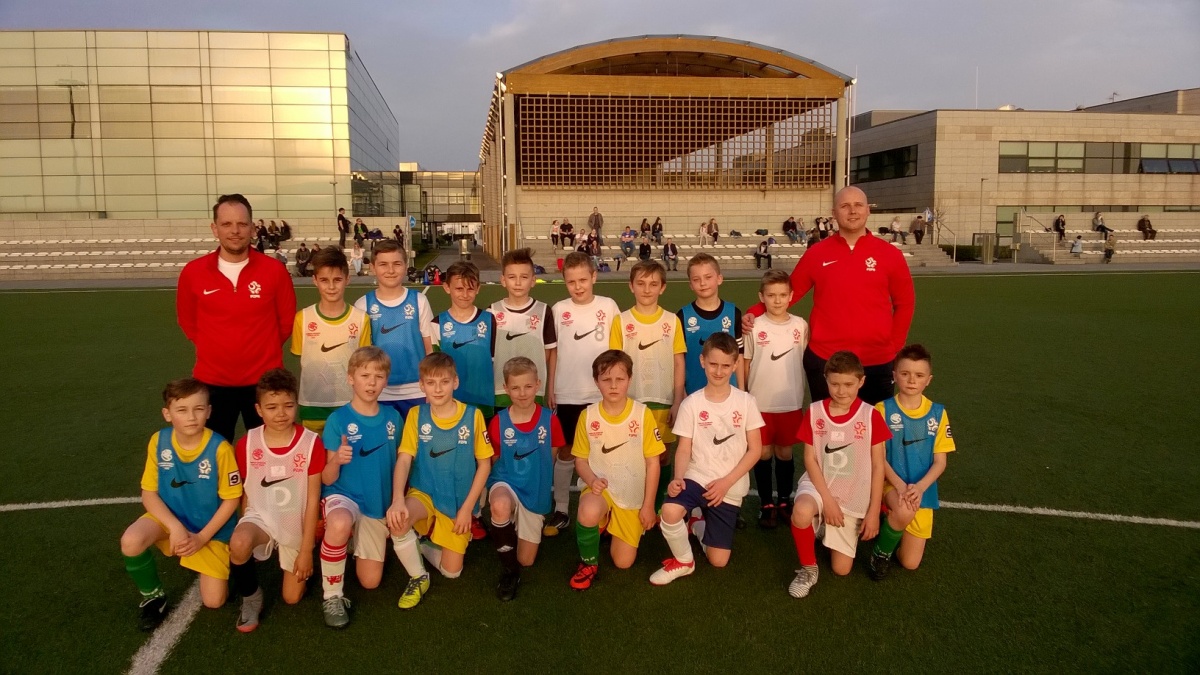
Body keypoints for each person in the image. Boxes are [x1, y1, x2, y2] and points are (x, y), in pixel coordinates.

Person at [743, 186, 915, 406]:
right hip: (825, 359)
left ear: (868, 210)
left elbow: (905, 303)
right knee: (825, 427)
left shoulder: (890, 254)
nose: (852, 211)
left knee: (873, 426)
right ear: (834, 213)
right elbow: (791, 292)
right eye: (845, 206)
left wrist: (894, 347)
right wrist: (754, 312)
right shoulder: (817, 253)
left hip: (876, 361)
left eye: (858, 205)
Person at [119, 378, 242, 631]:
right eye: (182, 410)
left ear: (209, 411)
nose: (191, 417)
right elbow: (149, 493)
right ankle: (153, 597)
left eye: (199, 409)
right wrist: (174, 527)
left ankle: (223, 560)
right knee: (131, 540)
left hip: (209, 529)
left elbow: (232, 499)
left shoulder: (220, 448)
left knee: (214, 602)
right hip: (171, 518)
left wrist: (202, 537)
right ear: (167, 414)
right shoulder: (159, 441)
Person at [177, 194, 296, 444]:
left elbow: (286, 322)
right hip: (212, 382)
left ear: (252, 228)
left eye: (242, 224)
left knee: (271, 453)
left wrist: (260, 351)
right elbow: (188, 322)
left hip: (265, 383)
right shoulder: (193, 272)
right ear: (215, 228)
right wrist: (216, 349)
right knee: (213, 454)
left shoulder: (274, 271)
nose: (235, 231)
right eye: (227, 224)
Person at [651, 332, 765, 585]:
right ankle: (684, 561)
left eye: (725, 365)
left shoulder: (746, 402)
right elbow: (684, 449)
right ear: (702, 361)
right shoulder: (691, 403)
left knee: (718, 560)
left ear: (735, 365)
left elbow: (755, 450)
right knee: (669, 510)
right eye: (713, 364)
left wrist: (726, 483)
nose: (719, 371)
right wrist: (678, 478)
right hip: (697, 476)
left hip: (729, 485)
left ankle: (696, 523)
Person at [387, 353, 493, 604]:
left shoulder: (473, 415)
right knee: (398, 521)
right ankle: (418, 576)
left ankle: (424, 544)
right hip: (424, 492)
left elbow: (484, 465)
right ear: (421, 385)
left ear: (455, 382)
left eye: (444, 382)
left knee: (451, 572)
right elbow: (404, 459)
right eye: (431, 383)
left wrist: (468, 510)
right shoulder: (416, 414)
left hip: (457, 501)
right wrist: (398, 499)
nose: (438, 389)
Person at [787, 351, 890, 598]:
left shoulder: (871, 416)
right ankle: (808, 569)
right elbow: (810, 459)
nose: (841, 391)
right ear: (826, 380)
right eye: (835, 384)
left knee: (841, 569)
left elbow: (879, 466)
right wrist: (828, 501)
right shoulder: (814, 412)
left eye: (848, 384)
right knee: (801, 510)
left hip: (853, 495)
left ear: (861, 382)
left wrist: (873, 512)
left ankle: (822, 525)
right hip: (819, 486)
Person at [228, 368, 324, 632]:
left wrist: (306, 551)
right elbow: (246, 491)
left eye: (288, 406)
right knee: (239, 542)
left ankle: (301, 559)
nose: (281, 413)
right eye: (271, 407)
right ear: (258, 410)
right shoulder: (247, 444)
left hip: (295, 521)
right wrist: (246, 532)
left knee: (291, 598)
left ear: (296, 405)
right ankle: (251, 597)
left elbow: (313, 499)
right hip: (261, 517)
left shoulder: (311, 443)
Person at [316, 346, 402, 628]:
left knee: (370, 581)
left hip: (377, 505)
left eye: (378, 376)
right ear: (351, 378)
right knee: (340, 522)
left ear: (386, 380)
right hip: (344, 496)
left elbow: (401, 465)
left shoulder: (393, 418)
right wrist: (336, 460)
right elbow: (327, 479)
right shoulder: (338, 420)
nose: (371, 382)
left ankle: (352, 539)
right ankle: (332, 595)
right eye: (365, 375)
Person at [569, 350, 665, 591]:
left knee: (623, 563)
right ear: (596, 381)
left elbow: (653, 463)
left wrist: (648, 506)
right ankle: (588, 563)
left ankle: (608, 523)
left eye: (620, 379)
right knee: (589, 510)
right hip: (602, 491)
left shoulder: (642, 414)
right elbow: (580, 460)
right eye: (606, 379)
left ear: (629, 380)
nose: (613, 385)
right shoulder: (587, 416)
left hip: (631, 495)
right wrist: (592, 479)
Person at [546, 252, 621, 537]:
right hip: (567, 393)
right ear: (564, 282)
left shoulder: (608, 306)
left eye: (583, 280)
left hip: (601, 394)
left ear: (594, 277)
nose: (578, 287)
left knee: (603, 452)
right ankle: (562, 507)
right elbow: (553, 352)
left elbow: (617, 349)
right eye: (571, 282)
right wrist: (550, 387)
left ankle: (607, 507)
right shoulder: (559, 310)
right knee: (566, 451)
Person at [869, 344, 955, 581]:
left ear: (928, 380)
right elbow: (878, 457)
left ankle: (892, 527)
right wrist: (898, 485)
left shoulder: (938, 413)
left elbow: (940, 462)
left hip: (922, 491)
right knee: (904, 509)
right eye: (905, 373)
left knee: (910, 563)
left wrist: (919, 488)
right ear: (894, 375)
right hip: (890, 485)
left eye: (919, 375)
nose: (911, 380)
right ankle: (881, 553)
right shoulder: (882, 410)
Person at [610, 260, 687, 512]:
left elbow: (678, 362)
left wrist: (678, 400)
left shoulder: (671, 321)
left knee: (662, 456)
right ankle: (630, 504)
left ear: (662, 288)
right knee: (631, 456)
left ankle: (657, 504)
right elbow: (615, 364)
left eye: (653, 284)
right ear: (631, 286)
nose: (646, 289)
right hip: (631, 403)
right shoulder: (621, 321)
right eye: (641, 283)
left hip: (663, 401)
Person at [486, 357, 566, 600]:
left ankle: (514, 523)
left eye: (528, 386)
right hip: (506, 482)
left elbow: (552, 456)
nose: (522, 393)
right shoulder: (498, 422)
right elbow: (494, 460)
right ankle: (510, 572)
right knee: (500, 505)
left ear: (538, 384)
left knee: (526, 560)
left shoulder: (549, 420)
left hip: (535, 490)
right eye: (515, 387)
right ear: (506, 388)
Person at [745, 270, 809, 529]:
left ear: (791, 296)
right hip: (759, 402)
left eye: (783, 295)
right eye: (771, 295)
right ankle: (765, 504)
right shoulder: (755, 326)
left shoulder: (800, 325)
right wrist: (745, 394)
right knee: (762, 452)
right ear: (762, 297)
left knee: (784, 452)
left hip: (790, 401)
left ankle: (784, 500)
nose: (778, 300)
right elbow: (746, 361)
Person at [292, 247, 371, 432]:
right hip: (312, 407)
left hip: (350, 406)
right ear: (315, 280)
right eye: (324, 280)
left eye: (337, 280)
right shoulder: (303, 318)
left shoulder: (361, 319)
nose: (331, 287)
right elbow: (302, 358)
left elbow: (363, 364)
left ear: (347, 279)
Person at [354, 241, 435, 419]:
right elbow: (360, 355)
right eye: (383, 264)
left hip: (417, 391)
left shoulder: (419, 301)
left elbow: (430, 348)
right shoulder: (362, 305)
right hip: (378, 392)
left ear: (405, 267)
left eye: (397, 264)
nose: (390, 270)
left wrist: (430, 385)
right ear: (373, 268)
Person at [491, 248, 556, 410]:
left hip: (533, 391)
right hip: (500, 391)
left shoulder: (543, 311)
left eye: (524, 277)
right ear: (503, 280)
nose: (518, 283)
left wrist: (550, 389)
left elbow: (549, 352)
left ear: (533, 280)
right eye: (512, 277)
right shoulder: (492, 312)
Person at [433, 261, 496, 419]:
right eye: (459, 289)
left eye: (470, 289)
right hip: (450, 401)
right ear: (447, 287)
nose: (465, 294)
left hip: (483, 400)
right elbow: (433, 367)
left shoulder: (489, 320)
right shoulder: (437, 323)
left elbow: (494, 359)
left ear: (478, 288)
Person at [681, 253, 745, 395]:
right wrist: (682, 393)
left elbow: (739, 354)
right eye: (696, 279)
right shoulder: (682, 316)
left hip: (729, 393)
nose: (702, 283)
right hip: (694, 393)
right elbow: (679, 360)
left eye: (708, 277)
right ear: (691, 285)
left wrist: (741, 389)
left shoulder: (733, 313)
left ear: (719, 279)